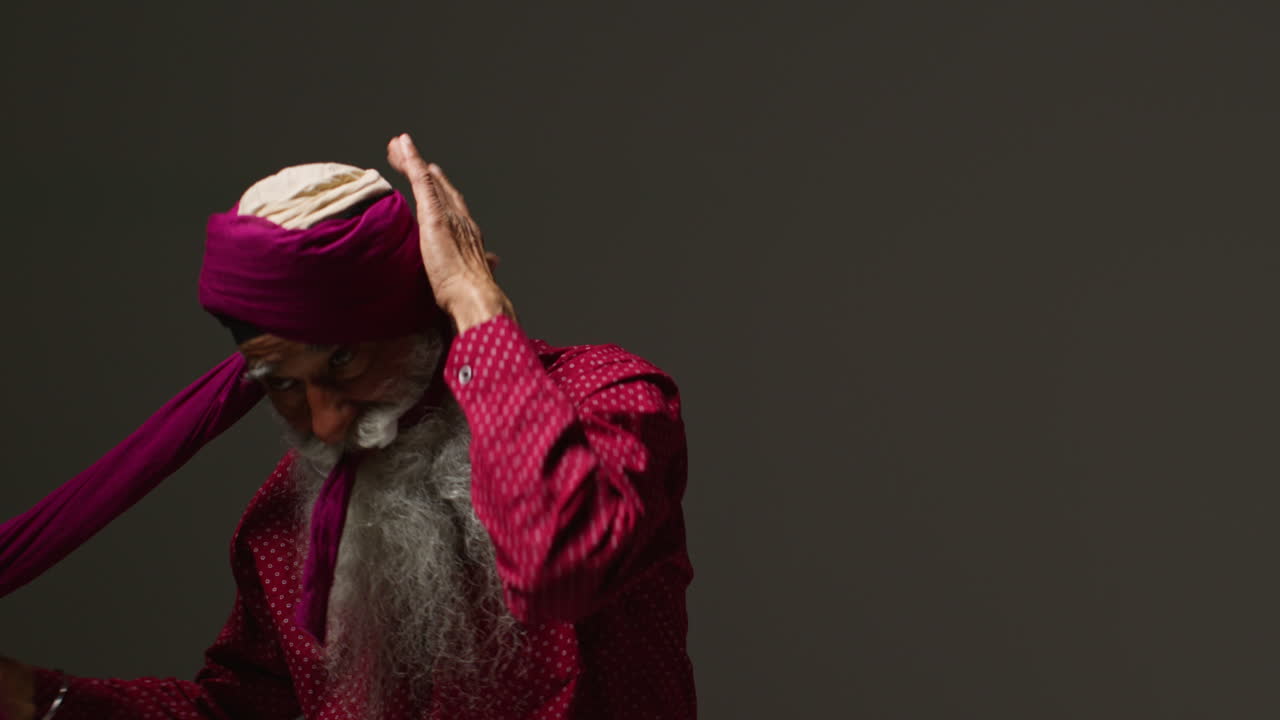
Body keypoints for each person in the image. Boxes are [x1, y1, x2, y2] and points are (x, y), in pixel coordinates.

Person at [0, 134, 696, 719]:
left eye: (342, 360)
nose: (326, 423)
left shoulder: (607, 396)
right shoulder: (289, 519)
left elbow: (561, 567)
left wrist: (476, 305)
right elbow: (248, 710)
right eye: (281, 385)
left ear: (414, 306)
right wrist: (42, 698)